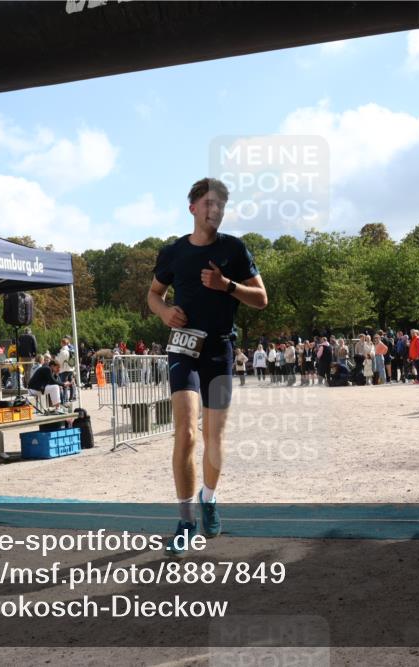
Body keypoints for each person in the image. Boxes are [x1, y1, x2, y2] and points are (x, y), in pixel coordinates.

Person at [147, 177, 267, 557]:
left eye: (221, 206)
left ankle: (209, 498)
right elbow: (153, 293)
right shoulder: (173, 253)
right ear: (193, 208)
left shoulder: (234, 248)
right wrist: (165, 311)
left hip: (219, 350)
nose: (215, 210)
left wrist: (226, 285)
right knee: (185, 434)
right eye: (209, 204)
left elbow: (261, 298)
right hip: (183, 349)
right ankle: (185, 521)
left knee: (214, 438)